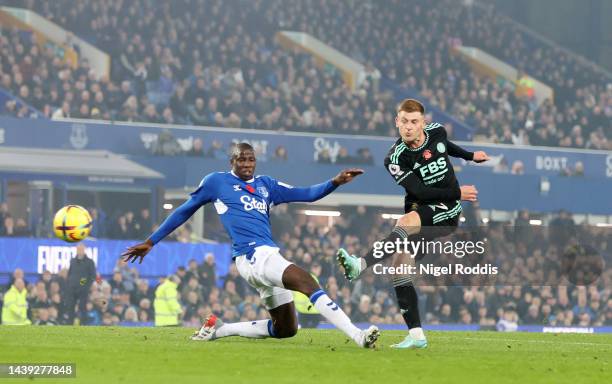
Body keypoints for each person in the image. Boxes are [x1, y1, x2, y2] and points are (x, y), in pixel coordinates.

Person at [123, 143, 379, 348]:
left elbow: (307, 194)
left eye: (251, 159)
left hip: (261, 258)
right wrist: (151, 241)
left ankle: (220, 329)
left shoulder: (266, 185)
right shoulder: (216, 182)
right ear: (231, 162)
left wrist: (335, 182)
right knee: (308, 282)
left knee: (286, 329)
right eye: (241, 159)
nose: (247, 164)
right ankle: (358, 336)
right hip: (254, 254)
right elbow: (184, 210)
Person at [337, 99, 489, 349]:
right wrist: (457, 191)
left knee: (404, 221)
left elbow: (445, 146)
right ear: (397, 122)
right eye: (404, 121)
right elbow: (421, 191)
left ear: (423, 124)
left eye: (414, 122)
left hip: (447, 212)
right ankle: (417, 335)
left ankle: (360, 264)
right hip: (425, 206)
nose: (408, 127)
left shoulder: (437, 131)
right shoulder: (395, 158)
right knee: (399, 266)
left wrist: (470, 156)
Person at [63, 243, 97, 325]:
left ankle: (83, 324)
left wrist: (85, 285)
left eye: (81, 249)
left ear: (85, 250)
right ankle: (69, 325)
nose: (80, 251)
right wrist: (69, 284)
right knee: (70, 307)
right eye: (78, 249)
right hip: (72, 288)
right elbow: (70, 273)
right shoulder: (73, 261)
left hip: (83, 289)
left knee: (82, 307)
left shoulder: (90, 262)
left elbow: (92, 276)